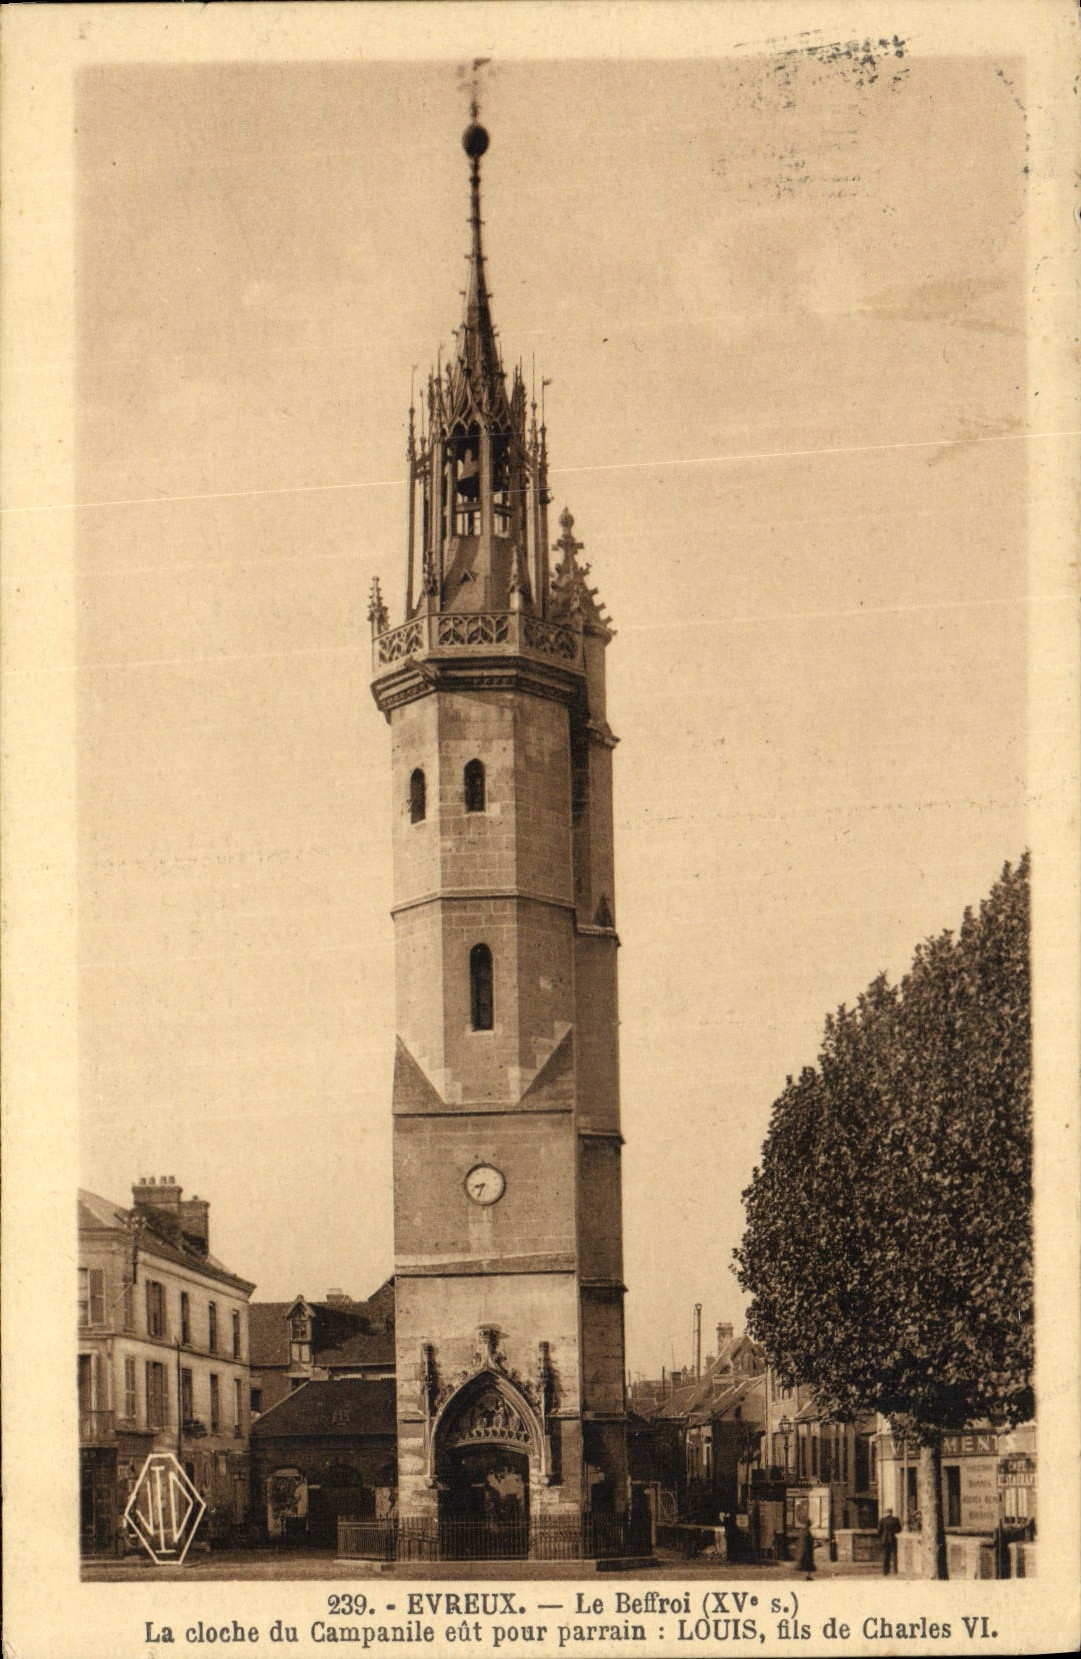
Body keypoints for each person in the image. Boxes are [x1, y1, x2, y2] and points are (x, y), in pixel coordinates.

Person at [878, 1507, 902, 1574]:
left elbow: (879, 1531)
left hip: (885, 1540)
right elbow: (899, 1529)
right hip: (893, 1539)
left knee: (886, 1555)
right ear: (891, 1513)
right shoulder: (896, 1520)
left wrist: (882, 1535)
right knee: (894, 1554)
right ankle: (895, 1570)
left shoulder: (882, 1520)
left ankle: (885, 1571)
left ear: (886, 1513)